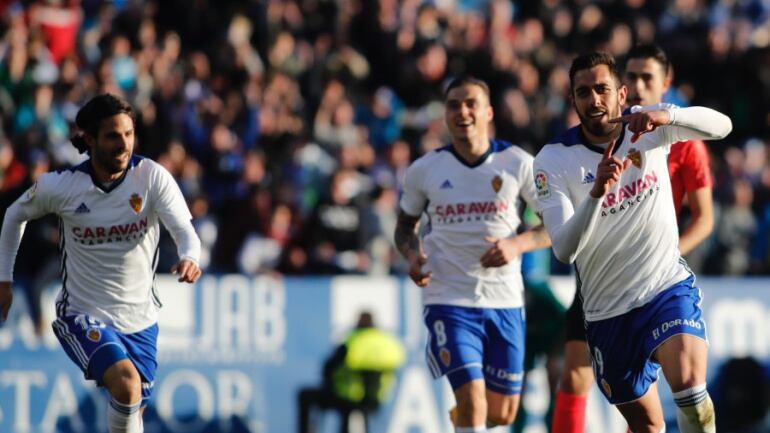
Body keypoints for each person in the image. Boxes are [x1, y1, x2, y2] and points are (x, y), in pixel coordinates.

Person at [534, 51, 731, 433]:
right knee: (649, 426)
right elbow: (564, 249)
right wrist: (595, 195)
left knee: (691, 391)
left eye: (602, 89)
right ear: (572, 100)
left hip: (663, 287)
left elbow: (723, 126)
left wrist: (670, 114)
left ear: (621, 94)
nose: (594, 100)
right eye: (583, 92)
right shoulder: (552, 161)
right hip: (607, 312)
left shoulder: (651, 126)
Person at [0, 93, 202, 433]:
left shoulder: (151, 178)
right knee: (126, 384)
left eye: (128, 134)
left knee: (132, 411)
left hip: (140, 321)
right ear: (90, 140)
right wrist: (4, 279)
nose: (123, 144)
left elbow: (186, 231)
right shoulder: (63, 187)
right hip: (81, 313)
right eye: (113, 136)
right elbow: (13, 215)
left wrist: (189, 257)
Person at [394, 75, 551, 433]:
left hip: (504, 299)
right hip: (448, 297)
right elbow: (405, 227)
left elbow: (554, 228)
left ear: (488, 112)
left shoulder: (518, 163)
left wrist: (517, 245)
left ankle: (465, 421)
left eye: (470, 104)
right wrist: (412, 255)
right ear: (445, 115)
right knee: (472, 399)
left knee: (502, 413)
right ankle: (467, 415)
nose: (462, 111)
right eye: (453, 105)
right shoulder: (425, 170)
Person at [297, 311, 405, 433]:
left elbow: (328, 368)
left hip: (349, 396)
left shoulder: (353, 341)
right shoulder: (389, 343)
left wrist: (329, 384)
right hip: (376, 399)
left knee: (305, 395)